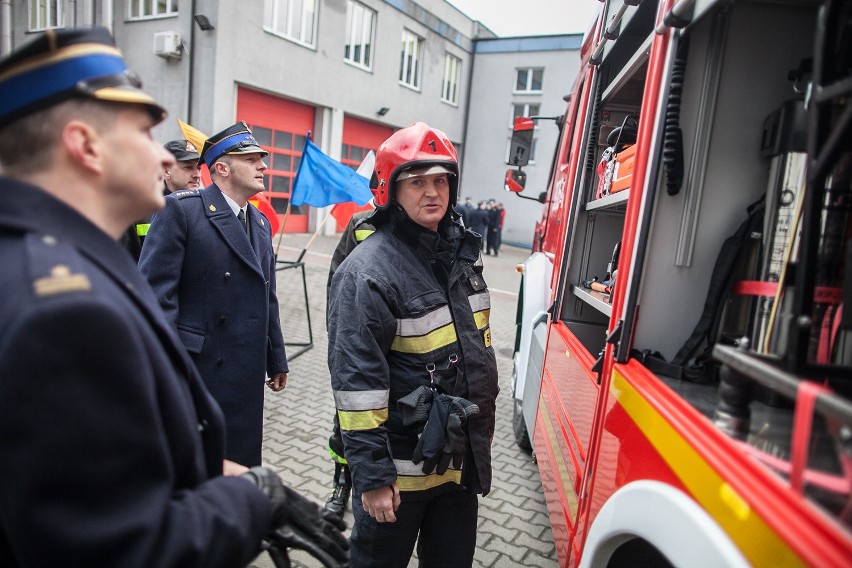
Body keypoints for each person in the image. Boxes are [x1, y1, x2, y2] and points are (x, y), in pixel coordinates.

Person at [0, 26, 347, 567]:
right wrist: (250, 502)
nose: (163, 159)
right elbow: (122, 544)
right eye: (142, 133)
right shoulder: (64, 312)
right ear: (84, 145)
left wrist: (220, 471)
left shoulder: (56, 258)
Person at [328, 122, 499, 566]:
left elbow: (477, 352)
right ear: (390, 190)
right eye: (417, 181)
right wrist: (371, 478)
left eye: (441, 180)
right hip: (398, 478)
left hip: (457, 466)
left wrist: (478, 443)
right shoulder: (367, 271)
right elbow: (356, 385)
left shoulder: (462, 255)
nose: (432, 192)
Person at [139, 120, 288, 468]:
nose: (263, 166)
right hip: (200, 369)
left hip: (246, 369)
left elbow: (267, 295)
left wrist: (276, 356)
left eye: (261, 158)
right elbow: (155, 298)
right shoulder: (182, 211)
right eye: (251, 159)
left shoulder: (261, 222)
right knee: (198, 466)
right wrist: (168, 369)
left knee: (240, 460)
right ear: (221, 167)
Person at [323, 209, 377, 517]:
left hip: (406, 351)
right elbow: (336, 283)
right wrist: (339, 341)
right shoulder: (361, 223)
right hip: (358, 344)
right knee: (347, 419)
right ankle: (341, 483)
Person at [127, 139, 203, 258]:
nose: (197, 174)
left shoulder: (206, 208)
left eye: (199, 168)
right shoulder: (141, 209)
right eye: (188, 167)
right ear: (166, 171)